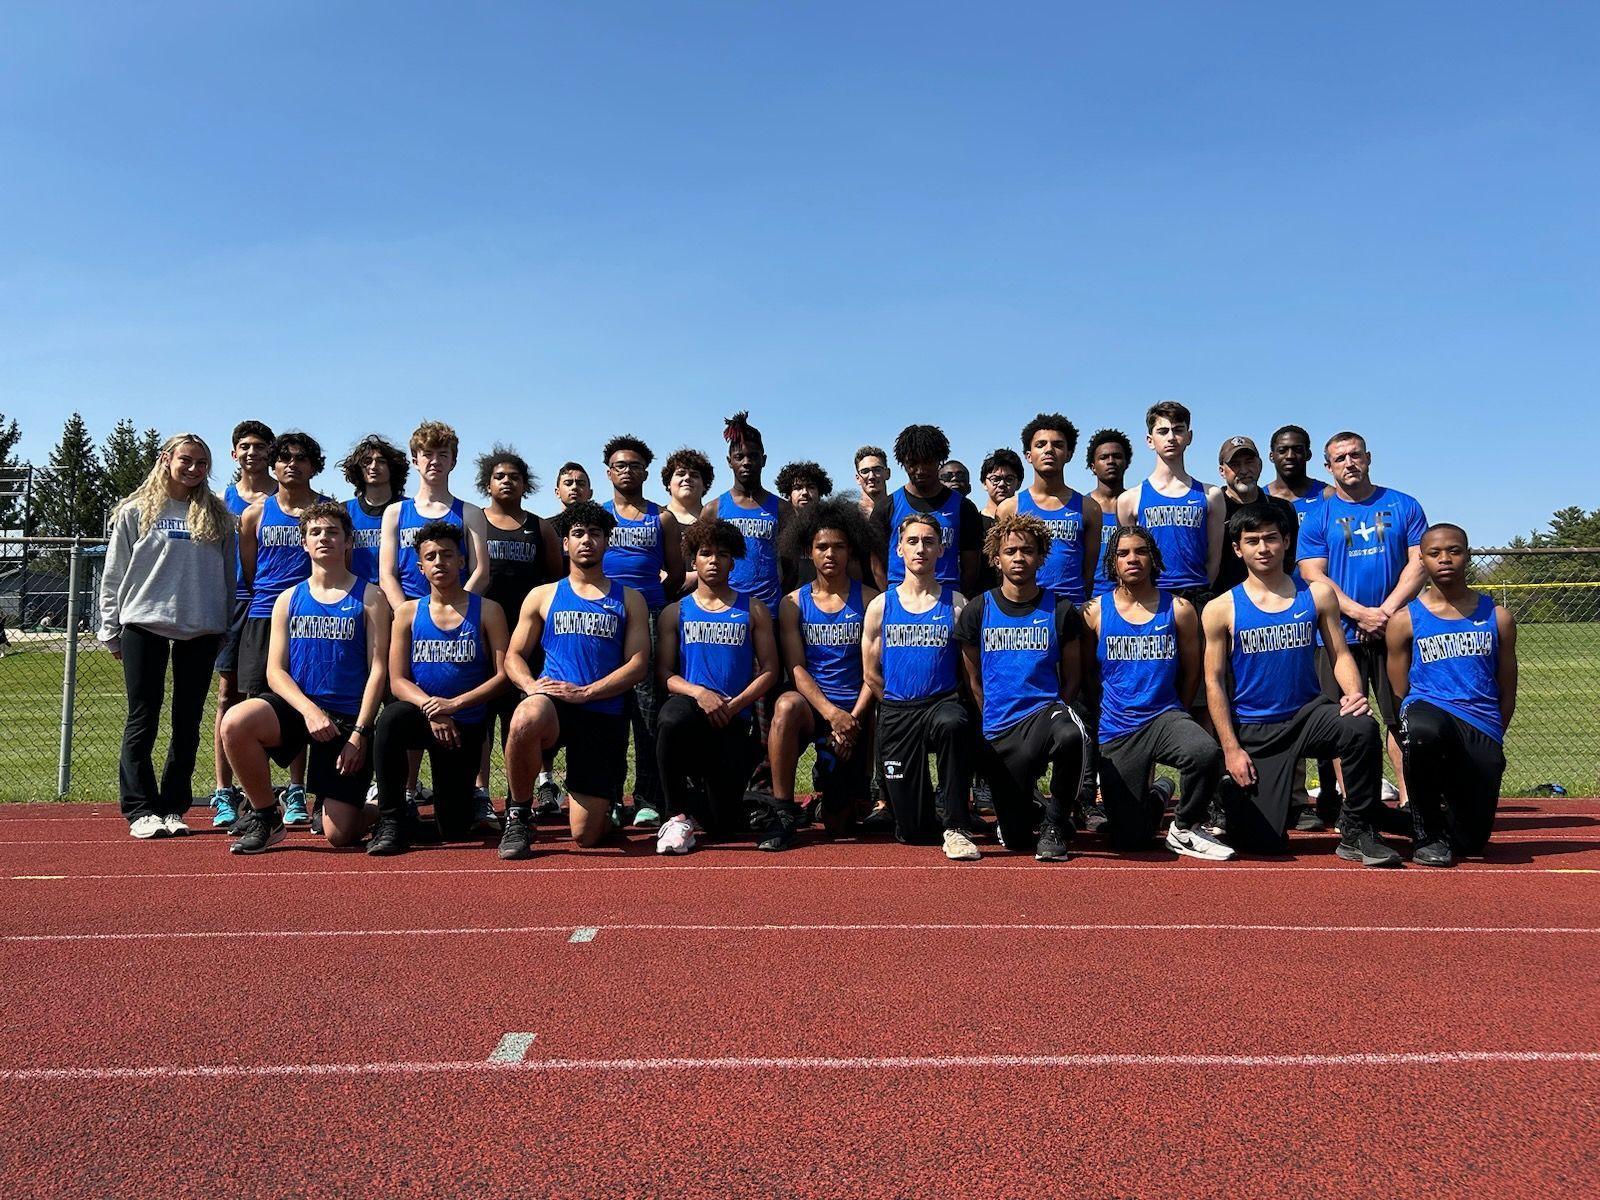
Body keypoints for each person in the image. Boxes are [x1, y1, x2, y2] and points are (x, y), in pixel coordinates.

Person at [1201, 506, 1401, 866]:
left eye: (1271, 538)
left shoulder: (1318, 595)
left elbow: (1340, 654)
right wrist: (1231, 748)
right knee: (1264, 845)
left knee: (1359, 726)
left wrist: (1354, 694)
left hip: (1308, 714)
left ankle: (1358, 828)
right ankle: (1231, 798)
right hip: (1256, 728)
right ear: (1237, 549)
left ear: (1286, 541)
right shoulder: (1221, 608)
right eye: (1252, 541)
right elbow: (1213, 681)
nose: (1263, 548)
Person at [223, 502, 390, 854]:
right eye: (315, 532)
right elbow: (275, 671)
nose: (324, 538)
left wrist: (360, 732)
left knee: (339, 835)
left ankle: (386, 811)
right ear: (304, 543)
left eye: (332, 531)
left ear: (348, 542)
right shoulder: (288, 599)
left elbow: (378, 668)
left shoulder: (371, 597)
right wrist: (309, 711)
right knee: (236, 722)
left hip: (346, 719)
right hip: (299, 709)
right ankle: (266, 817)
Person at [99, 434, 235, 839]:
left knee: (187, 722)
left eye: (202, 463)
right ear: (166, 460)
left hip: (201, 629)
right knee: (143, 717)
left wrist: (224, 623)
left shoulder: (218, 516)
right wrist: (110, 629)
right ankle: (140, 809)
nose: (194, 470)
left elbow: (228, 577)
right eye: (186, 461)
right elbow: (114, 573)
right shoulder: (136, 511)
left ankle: (174, 806)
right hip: (144, 623)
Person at [498, 501, 651, 860]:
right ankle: (519, 815)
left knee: (586, 836)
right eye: (578, 534)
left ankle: (598, 799)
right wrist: (531, 686)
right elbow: (513, 656)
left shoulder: (630, 599)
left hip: (601, 712)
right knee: (525, 716)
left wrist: (587, 693)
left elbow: (638, 664)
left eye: (595, 534)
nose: (587, 541)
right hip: (553, 704)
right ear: (565, 543)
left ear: (606, 542)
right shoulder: (543, 595)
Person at [1296, 431, 1428, 812]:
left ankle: (1410, 800)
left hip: (1395, 633)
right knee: (1345, 717)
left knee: (1401, 718)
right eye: (1340, 459)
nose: (1349, 463)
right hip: (1338, 638)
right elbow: (1312, 574)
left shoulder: (1403, 505)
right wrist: (1358, 612)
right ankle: (1356, 803)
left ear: (1368, 457)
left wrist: (1386, 612)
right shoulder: (1319, 517)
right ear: (1328, 467)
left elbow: (1420, 563)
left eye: (1355, 455)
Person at [1081, 525, 1230, 859]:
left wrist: (1179, 712)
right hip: (1117, 728)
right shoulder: (1093, 612)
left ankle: (1186, 825)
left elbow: (1192, 673)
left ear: (1153, 558)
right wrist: (1104, 709)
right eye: (1123, 553)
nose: (1132, 559)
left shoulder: (1179, 609)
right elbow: (1089, 677)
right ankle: (1161, 792)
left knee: (1204, 751)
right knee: (1130, 841)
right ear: (1112, 562)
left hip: (1164, 716)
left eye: (1140, 551)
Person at [366, 521, 509, 856]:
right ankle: (391, 819)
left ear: (462, 561)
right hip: (422, 715)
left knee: (454, 829)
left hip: (464, 726)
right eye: (431, 556)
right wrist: (433, 707)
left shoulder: (488, 610)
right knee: (390, 719)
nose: (440, 562)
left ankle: (414, 818)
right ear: (421, 566)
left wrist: (454, 706)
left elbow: (503, 676)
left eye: (447, 554)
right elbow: (397, 680)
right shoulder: (407, 613)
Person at [955, 513, 1086, 861]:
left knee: (1071, 734)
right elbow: (974, 679)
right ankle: (1036, 807)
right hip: (1000, 726)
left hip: (1044, 714)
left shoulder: (1060, 609)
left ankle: (1056, 823)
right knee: (1015, 839)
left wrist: (1056, 717)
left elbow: (1073, 677)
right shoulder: (977, 609)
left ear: (1041, 556)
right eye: (1010, 551)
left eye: (1027, 550)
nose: (1018, 558)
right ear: (996, 558)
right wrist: (992, 717)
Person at [1387, 525, 1518, 866]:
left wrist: (1492, 736)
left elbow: (1507, 688)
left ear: (1468, 555)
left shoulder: (1498, 617)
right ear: (1422, 559)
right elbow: (1401, 690)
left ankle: (1374, 817)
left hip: (1481, 722)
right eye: (1434, 553)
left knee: (1471, 843)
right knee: (1422, 730)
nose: (1445, 559)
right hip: (1430, 709)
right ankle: (1427, 836)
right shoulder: (1405, 621)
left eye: (1454, 551)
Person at [653, 519, 779, 855]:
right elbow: (664, 674)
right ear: (693, 560)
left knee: (723, 826)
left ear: (732, 561)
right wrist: (699, 693)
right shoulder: (674, 612)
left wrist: (735, 705)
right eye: (705, 553)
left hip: (733, 719)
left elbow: (770, 670)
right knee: (670, 719)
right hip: (692, 709)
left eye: (722, 554)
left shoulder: (753, 609)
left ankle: (704, 802)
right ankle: (675, 815)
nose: (713, 560)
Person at [863, 513, 978, 859]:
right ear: (899, 549)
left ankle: (957, 825)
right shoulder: (881, 606)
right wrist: (897, 704)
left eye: (929, 541)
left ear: (941, 549)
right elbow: (870, 674)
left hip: (941, 704)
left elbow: (971, 672)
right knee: (913, 832)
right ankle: (928, 817)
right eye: (912, 541)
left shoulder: (957, 605)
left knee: (953, 723)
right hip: (898, 712)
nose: (920, 548)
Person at [769, 499, 880, 848]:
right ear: (809, 551)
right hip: (814, 708)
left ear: (851, 550)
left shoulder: (872, 600)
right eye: (822, 546)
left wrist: (852, 720)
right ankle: (783, 811)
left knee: (841, 826)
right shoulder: (793, 603)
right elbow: (797, 668)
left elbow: (874, 672)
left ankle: (843, 794)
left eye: (839, 546)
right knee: (785, 705)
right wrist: (832, 715)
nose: (830, 554)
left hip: (856, 711)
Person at [236, 431, 329, 828]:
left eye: (301, 458)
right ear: (273, 465)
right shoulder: (256, 513)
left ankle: (297, 790)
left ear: (313, 465)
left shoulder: (327, 511)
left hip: (312, 615)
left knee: (305, 700)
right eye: (285, 457)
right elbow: (250, 569)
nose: (293, 464)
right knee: (258, 704)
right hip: (263, 615)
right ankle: (258, 800)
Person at [600, 434, 686, 829]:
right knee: (610, 706)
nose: (627, 471)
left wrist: (652, 602)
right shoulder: (596, 516)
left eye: (635, 466)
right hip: (604, 617)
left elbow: (678, 572)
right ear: (608, 473)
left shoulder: (662, 517)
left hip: (650, 612)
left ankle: (648, 797)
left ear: (646, 473)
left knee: (648, 707)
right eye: (620, 465)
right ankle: (610, 796)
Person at [475, 446, 562, 823]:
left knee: (522, 715)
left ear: (526, 484)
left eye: (514, 476)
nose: (507, 481)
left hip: (528, 638)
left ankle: (522, 796)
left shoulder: (539, 526)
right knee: (482, 717)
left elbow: (557, 579)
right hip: (481, 635)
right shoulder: (474, 522)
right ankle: (479, 793)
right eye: (499, 476)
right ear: (487, 483)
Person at [208, 419, 275, 829]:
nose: (252, 452)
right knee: (227, 694)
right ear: (234, 453)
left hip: (271, 605)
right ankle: (224, 791)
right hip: (233, 603)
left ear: (270, 452)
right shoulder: (221, 500)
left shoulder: (284, 496)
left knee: (268, 696)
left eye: (259, 446)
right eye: (244, 446)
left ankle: (270, 794)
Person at [1117, 402, 1224, 607]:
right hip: (1151, 596)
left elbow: (1214, 559)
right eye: (1163, 431)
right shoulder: (1130, 499)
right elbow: (1125, 557)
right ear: (1150, 440)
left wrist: (1201, 591)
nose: (1171, 438)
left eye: (1178, 430)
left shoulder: (1211, 495)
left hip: (1198, 594)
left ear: (1189, 437)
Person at [380, 420, 490, 609]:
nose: (435, 461)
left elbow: (481, 573)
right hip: (409, 612)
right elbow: (387, 574)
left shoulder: (471, 513)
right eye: (428, 454)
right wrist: (405, 614)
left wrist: (454, 610)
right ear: (415, 461)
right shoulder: (395, 512)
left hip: (458, 614)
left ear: (453, 462)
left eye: (443, 455)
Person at [995, 414, 1101, 606]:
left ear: (1069, 454)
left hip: (1073, 608)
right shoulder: (1009, 508)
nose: (1049, 450)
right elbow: (1003, 563)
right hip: (1027, 609)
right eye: (1040, 444)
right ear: (1028, 455)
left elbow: (1089, 572)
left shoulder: (1089, 508)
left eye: (1058, 445)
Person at [872, 423, 984, 596]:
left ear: (939, 460)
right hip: (899, 597)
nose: (920, 470)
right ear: (903, 463)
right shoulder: (886, 507)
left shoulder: (964, 508)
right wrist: (891, 598)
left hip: (947, 598)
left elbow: (971, 568)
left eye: (927, 462)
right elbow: (876, 565)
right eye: (913, 463)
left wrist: (956, 599)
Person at [701, 412, 788, 617]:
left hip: (769, 611)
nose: (746, 462)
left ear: (763, 460)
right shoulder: (713, 509)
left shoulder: (782, 509)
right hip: (725, 610)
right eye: (740, 457)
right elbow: (699, 563)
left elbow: (791, 567)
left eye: (753, 456)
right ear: (729, 461)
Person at [1214, 437, 1298, 594]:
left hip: (1275, 599)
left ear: (1260, 465)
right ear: (1222, 471)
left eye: (1249, 462)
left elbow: (1290, 559)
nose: (1244, 470)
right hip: (1224, 602)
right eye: (1235, 464)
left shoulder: (1283, 508)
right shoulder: (1211, 510)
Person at [340, 434, 408, 589]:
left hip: (400, 594)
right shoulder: (344, 511)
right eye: (367, 462)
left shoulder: (409, 509)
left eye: (381, 461)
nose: (373, 466)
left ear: (392, 468)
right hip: (356, 596)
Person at [1084, 429, 1133, 600]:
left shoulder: (1136, 505)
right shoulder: (1082, 508)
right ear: (1093, 466)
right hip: (1089, 599)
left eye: (1117, 456)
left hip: (1130, 597)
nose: (1111, 461)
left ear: (1127, 462)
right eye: (1104, 457)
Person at [775, 459, 833, 593]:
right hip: (789, 603)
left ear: (820, 491)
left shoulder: (832, 526)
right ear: (789, 493)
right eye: (798, 488)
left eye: (811, 487)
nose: (805, 492)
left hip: (827, 599)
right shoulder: (778, 527)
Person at [661, 447, 714, 535]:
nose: (687, 478)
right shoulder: (656, 518)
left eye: (694, 475)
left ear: (704, 485)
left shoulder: (714, 520)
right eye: (680, 474)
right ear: (668, 483)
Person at [854, 446, 891, 519]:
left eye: (877, 470)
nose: (871, 476)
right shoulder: (849, 516)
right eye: (865, 471)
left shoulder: (900, 510)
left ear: (888, 473)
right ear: (857, 478)